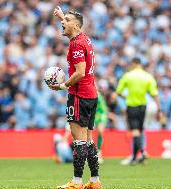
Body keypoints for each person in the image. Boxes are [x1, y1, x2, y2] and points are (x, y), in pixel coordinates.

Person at [49, 6, 101, 189]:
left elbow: (80, 72)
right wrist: (63, 17)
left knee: (78, 139)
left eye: (66, 21)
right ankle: (94, 182)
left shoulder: (76, 44)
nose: (63, 22)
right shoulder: (83, 38)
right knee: (88, 140)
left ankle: (76, 183)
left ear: (76, 26)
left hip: (79, 95)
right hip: (91, 95)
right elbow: (74, 26)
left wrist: (62, 86)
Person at [116, 58, 161, 165]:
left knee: (135, 132)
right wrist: (159, 109)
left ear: (134, 64)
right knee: (140, 131)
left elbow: (118, 92)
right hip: (143, 106)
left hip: (132, 106)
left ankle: (142, 151)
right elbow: (154, 94)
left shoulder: (128, 76)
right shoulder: (148, 76)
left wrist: (126, 97)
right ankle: (135, 158)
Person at [94, 92, 108, 164]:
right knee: (87, 133)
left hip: (101, 114)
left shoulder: (97, 94)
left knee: (100, 131)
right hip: (93, 113)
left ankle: (99, 153)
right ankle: (90, 155)